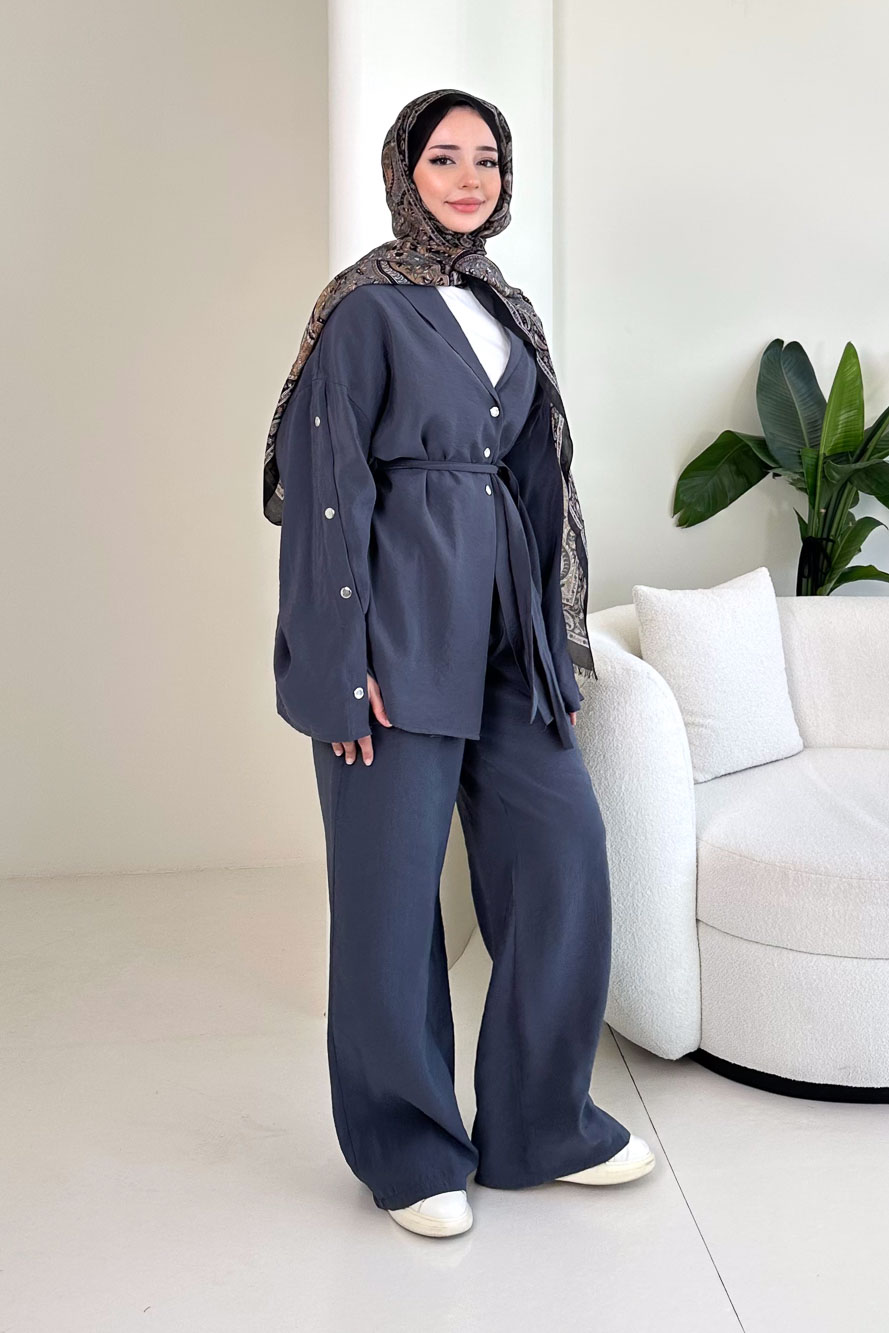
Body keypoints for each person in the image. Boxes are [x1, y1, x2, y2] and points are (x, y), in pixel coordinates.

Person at [263, 88, 655, 1238]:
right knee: (389, 901)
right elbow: (326, 497)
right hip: (393, 634)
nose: (469, 178)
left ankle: (541, 1124)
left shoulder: (502, 306)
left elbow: (534, 481)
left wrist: (549, 638)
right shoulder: (362, 310)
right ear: (405, 171)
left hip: (504, 632)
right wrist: (340, 668)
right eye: (444, 158)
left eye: (487, 159)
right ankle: (408, 1148)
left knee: (562, 857)